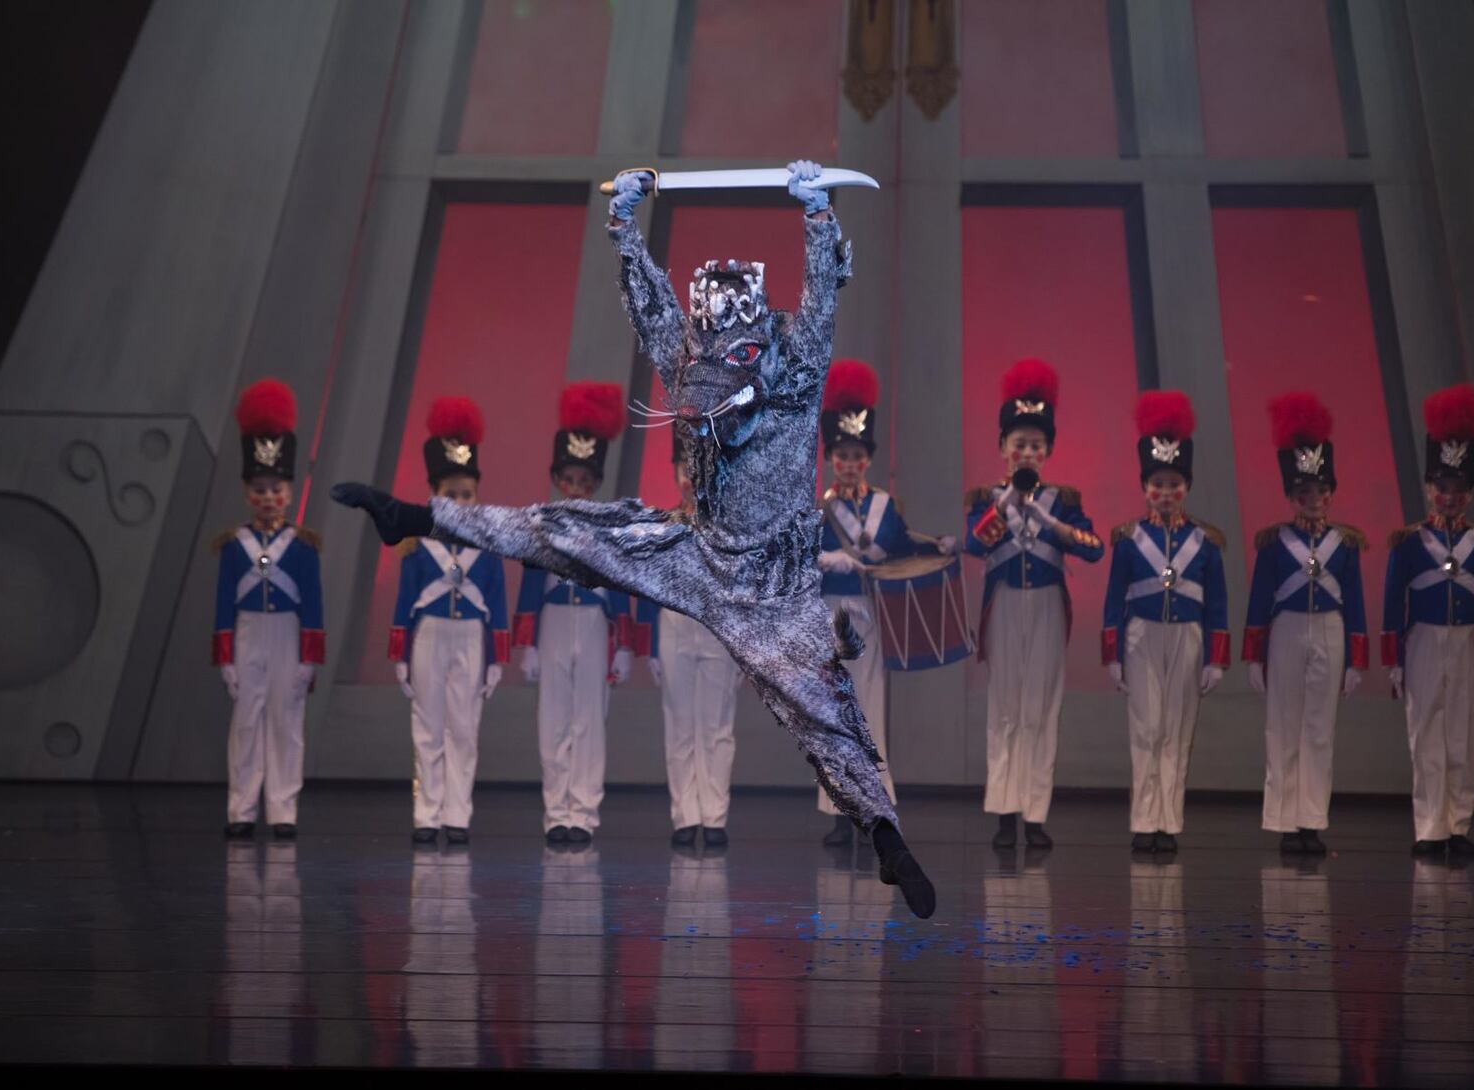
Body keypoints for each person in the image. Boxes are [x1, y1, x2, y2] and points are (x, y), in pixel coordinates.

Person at [332, 160, 937, 917]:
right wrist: (623, 223)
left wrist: (816, 215)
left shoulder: (796, 365)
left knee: (824, 706)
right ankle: (419, 518)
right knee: (571, 532)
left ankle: (885, 835)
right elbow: (652, 308)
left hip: (774, 587)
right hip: (697, 551)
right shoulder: (691, 362)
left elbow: (820, 307)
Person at [965, 358, 1103, 851]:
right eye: (1018, 444)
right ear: (1003, 448)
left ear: (1047, 451)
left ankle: (1036, 812)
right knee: (1005, 707)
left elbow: (1093, 547)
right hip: (1004, 605)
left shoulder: (1063, 500)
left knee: (1042, 708)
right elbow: (974, 545)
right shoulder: (987, 498)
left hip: (1046, 604)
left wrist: (1055, 525)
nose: (1027, 452)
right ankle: (1004, 810)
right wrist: (1002, 508)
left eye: (1036, 445)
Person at [815, 359, 951, 846]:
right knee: (832, 716)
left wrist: (939, 546)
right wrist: (824, 558)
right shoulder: (820, 511)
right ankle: (837, 810)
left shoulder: (884, 506)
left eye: (857, 455)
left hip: (870, 618)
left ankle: (872, 808)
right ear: (831, 457)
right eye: (841, 455)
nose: (849, 463)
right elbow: (802, 565)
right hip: (830, 620)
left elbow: (902, 546)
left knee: (869, 712)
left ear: (867, 458)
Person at [1381, 384, 1474, 859]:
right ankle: (1429, 827)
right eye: (1442, 488)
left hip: (1469, 644)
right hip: (1425, 643)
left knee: (1464, 733)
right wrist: (1393, 660)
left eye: (1458, 489)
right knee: (1427, 732)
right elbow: (1395, 603)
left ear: (1470, 493)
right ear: (1429, 489)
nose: (1449, 497)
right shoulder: (1409, 543)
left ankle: (1458, 824)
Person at [1101, 391, 1228, 854]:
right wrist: (1112, 655)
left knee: (1178, 729)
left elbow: (1218, 605)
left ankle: (1168, 821)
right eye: (1158, 483)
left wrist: (1216, 658)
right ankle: (1143, 819)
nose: (1167, 492)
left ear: (1186, 487)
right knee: (1146, 728)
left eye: (1175, 483)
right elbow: (1114, 600)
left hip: (1189, 638)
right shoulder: (1130, 540)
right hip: (1141, 638)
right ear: (1145, 487)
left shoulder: (1207, 542)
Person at [1242, 392, 1367, 855]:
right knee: (1283, 725)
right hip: (1287, 631)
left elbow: (1354, 603)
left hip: (1331, 631)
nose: (1313, 500)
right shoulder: (1275, 543)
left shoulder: (1347, 544)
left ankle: (1311, 820)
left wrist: (1357, 659)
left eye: (1319, 492)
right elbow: (1259, 600)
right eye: (1303, 493)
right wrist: (1253, 654)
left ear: (1330, 493)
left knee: (1319, 727)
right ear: (1292, 496)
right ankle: (1283, 819)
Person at [512, 382, 633, 845]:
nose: (577, 488)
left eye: (585, 481)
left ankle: (582, 812)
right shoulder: (538, 524)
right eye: (570, 480)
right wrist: (527, 645)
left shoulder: (610, 525)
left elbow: (620, 584)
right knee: (553, 718)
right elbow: (529, 583)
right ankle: (555, 811)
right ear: (558, 479)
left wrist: (623, 644)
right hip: (554, 622)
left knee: (589, 719)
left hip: (595, 623)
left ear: (595, 484)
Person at [388, 396, 509, 846]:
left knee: (464, 729)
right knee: (428, 727)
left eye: (466, 494)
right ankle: (427, 814)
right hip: (429, 638)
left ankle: (458, 815)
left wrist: (497, 659)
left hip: (471, 640)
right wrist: (399, 655)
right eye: (449, 494)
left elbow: (496, 605)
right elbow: (405, 603)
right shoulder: (417, 547)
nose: (458, 502)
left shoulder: (490, 548)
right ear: (433, 496)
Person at [212, 379, 324, 839]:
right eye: (259, 488)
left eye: (275, 488)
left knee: (286, 721)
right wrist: (224, 658)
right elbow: (222, 603)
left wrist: (309, 658)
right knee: (246, 722)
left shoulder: (303, 546)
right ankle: (241, 808)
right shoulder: (232, 546)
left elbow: (313, 604)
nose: (268, 497)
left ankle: (283, 809)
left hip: (286, 633)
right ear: (246, 491)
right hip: (247, 631)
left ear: (290, 490)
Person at [635, 434, 743, 849]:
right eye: (685, 468)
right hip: (675, 627)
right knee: (680, 723)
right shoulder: (663, 524)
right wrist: (649, 645)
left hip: (717, 629)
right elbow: (648, 585)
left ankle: (714, 816)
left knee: (717, 725)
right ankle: (685, 815)